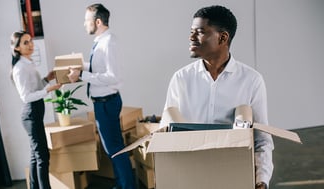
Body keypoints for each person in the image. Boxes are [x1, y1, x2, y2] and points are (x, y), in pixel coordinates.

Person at [161, 5, 273, 189]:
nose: (191, 38)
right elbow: (166, 131)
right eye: (191, 32)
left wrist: (261, 179)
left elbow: (262, 139)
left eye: (199, 32)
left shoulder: (251, 81)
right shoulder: (181, 79)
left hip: (232, 175)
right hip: (190, 176)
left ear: (223, 37)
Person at [67, 3, 136, 189]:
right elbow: (100, 68)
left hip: (107, 102)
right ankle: (122, 184)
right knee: (112, 148)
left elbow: (112, 76)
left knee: (114, 148)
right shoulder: (102, 41)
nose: (84, 24)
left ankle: (127, 186)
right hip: (103, 102)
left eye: (86, 20)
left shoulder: (109, 42)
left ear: (97, 21)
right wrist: (82, 66)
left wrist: (81, 75)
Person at [10, 31, 62, 189]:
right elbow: (26, 96)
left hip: (36, 113)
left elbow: (35, 87)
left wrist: (47, 79)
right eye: (25, 43)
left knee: (35, 155)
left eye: (30, 41)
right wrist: (48, 89)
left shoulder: (28, 63)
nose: (31, 44)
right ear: (17, 48)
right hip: (30, 115)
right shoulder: (19, 68)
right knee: (42, 156)